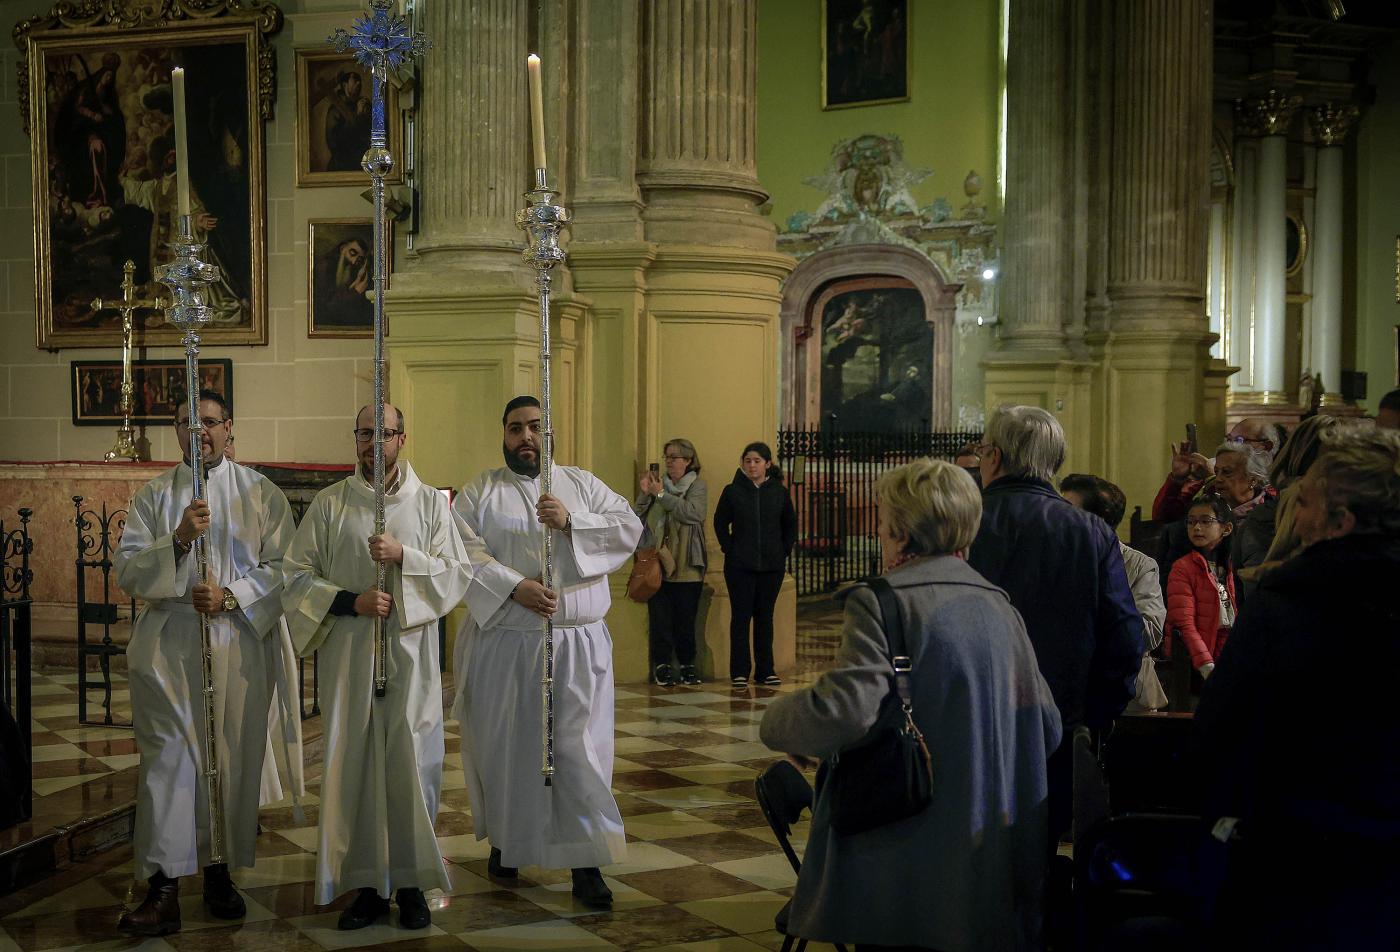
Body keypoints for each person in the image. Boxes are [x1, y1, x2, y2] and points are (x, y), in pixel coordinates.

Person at [760, 459, 1061, 951]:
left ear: (901, 531)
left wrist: (774, 720)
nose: (878, 530)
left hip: (903, 855)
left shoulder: (883, 601)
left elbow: (845, 710)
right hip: (987, 856)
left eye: (882, 520)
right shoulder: (999, 605)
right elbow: (1046, 726)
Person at [1195, 428, 1400, 948]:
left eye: (1303, 503)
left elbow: (1220, 732)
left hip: (1295, 859)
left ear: (1340, 522)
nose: (1294, 516)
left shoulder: (1287, 605)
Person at [281, 404, 471, 930]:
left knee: (413, 763)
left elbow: (457, 575)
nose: (373, 443)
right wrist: (349, 601)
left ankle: (410, 883)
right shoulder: (330, 505)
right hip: (350, 655)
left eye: (383, 434)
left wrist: (404, 556)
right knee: (354, 765)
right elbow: (295, 578)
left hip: (410, 656)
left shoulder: (432, 503)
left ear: (401, 438)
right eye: (365, 433)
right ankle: (366, 886)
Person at [113, 391, 297, 937]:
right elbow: (127, 568)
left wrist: (233, 596)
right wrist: (176, 541)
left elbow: (287, 567)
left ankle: (219, 872)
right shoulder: (155, 496)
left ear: (229, 428)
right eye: (187, 426)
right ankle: (163, 887)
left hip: (237, 643)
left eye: (210, 424)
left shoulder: (260, 493)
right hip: (170, 646)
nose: (200, 435)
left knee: (230, 761)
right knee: (168, 763)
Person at [451, 396, 642, 908]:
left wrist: (571, 522)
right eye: (515, 428)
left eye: (535, 427)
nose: (526, 437)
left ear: (549, 433)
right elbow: (460, 550)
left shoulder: (580, 484)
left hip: (576, 644)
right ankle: (508, 843)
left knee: (579, 753)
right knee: (506, 749)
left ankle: (586, 862)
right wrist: (514, 587)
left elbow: (628, 527)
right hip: (507, 643)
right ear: (504, 435)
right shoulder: (480, 491)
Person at [966, 405, 1141, 844]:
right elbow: (1123, 632)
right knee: (1040, 846)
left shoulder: (962, 523)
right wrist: (1095, 718)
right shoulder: (1091, 532)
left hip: (972, 716)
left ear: (996, 457)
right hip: (1060, 722)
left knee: (975, 851)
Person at [1060, 474, 1166, 711]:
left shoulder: (1139, 565)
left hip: (1127, 693)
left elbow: (1150, 630)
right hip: (1069, 688)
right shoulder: (1060, 558)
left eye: (1069, 510)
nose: (1059, 517)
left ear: (1100, 520)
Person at [713, 442, 795, 687]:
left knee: (764, 618)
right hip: (740, 566)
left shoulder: (779, 492)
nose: (752, 465)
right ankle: (739, 672)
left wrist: (782, 551)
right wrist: (731, 548)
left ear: (767, 464)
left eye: (757, 461)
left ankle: (765, 670)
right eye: (748, 460)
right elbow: (720, 523)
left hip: (771, 566)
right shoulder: (732, 491)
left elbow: (790, 525)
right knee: (740, 618)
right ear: (742, 463)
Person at [634, 438, 708, 686]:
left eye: (675, 457)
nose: (669, 462)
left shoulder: (696, 486)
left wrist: (661, 495)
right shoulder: (657, 486)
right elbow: (635, 516)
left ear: (688, 461)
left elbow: (693, 513)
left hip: (687, 564)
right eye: (667, 457)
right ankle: (662, 665)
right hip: (658, 564)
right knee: (660, 620)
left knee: (686, 619)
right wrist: (646, 494)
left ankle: (688, 665)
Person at [1152, 418, 1285, 523]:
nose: (1231, 446)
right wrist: (1178, 480)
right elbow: (1162, 516)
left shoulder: (1282, 482)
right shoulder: (1214, 468)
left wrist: (1212, 477)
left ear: (1266, 446)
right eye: (1228, 439)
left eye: (1239, 440)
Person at [1165, 495, 1237, 684]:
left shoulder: (1231, 565)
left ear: (1226, 528)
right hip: (1197, 656)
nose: (1196, 528)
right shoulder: (1183, 567)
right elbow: (1184, 624)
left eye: (1205, 521)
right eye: (1191, 522)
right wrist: (1206, 665)